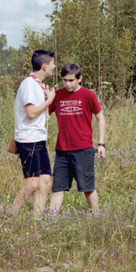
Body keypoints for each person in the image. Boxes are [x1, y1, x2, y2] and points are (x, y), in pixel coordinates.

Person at [47, 62, 105, 217]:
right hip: (62, 150)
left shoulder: (88, 95)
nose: (68, 84)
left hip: (83, 149)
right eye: (65, 80)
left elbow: (100, 118)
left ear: (80, 79)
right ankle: (49, 222)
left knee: (88, 188)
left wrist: (101, 144)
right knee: (58, 188)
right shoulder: (57, 95)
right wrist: (46, 99)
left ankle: (97, 218)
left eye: (71, 80)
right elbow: (44, 115)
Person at [9, 49, 57, 217]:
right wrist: (50, 100)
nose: (54, 66)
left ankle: (37, 219)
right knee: (32, 183)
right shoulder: (29, 84)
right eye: (52, 64)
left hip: (39, 138)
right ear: (44, 66)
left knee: (45, 182)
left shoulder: (39, 85)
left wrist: (48, 99)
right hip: (28, 139)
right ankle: (11, 215)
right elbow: (31, 112)